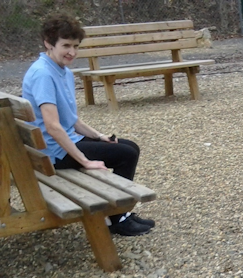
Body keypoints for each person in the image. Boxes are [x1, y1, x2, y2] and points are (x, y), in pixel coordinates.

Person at [22, 14, 155, 236]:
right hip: (52, 153)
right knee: (125, 155)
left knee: (130, 146)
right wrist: (85, 161)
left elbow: (70, 120)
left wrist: (99, 136)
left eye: (75, 46)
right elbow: (53, 127)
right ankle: (117, 218)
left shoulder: (61, 70)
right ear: (48, 42)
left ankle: (118, 213)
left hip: (61, 143)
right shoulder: (43, 74)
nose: (72, 52)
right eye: (66, 45)